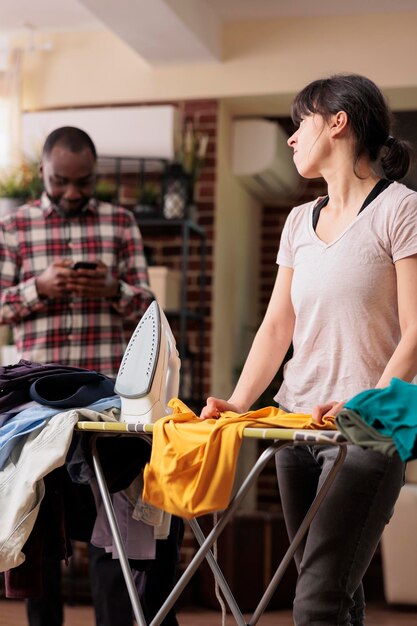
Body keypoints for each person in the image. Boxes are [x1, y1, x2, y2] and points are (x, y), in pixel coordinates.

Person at [201, 74, 417, 625]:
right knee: (332, 585)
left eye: (301, 123)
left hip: (365, 429)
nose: (292, 137)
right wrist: (240, 400)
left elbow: (416, 330)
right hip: (295, 425)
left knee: (317, 597)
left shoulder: (401, 209)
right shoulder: (299, 221)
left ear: (338, 122)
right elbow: (278, 326)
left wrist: (364, 406)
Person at [0, 126, 182, 626]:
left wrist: (112, 288)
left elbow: (148, 309)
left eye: (84, 182)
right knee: (38, 528)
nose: (74, 192)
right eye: (62, 182)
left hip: (107, 404)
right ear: (42, 172)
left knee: (113, 529)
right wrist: (39, 287)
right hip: (37, 409)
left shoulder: (120, 222)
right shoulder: (13, 228)